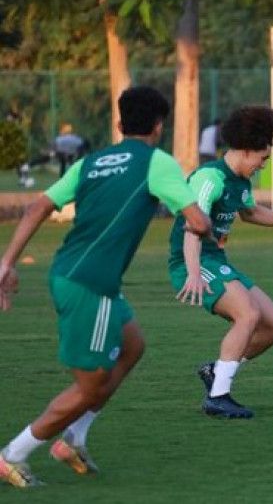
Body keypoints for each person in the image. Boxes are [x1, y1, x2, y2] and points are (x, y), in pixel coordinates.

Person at [0, 86, 211, 488]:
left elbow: (37, 206)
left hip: (78, 274)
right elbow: (198, 222)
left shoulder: (90, 162)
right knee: (89, 385)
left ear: (119, 124)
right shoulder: (157, 162)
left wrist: (6, 263)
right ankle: (13, 453)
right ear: (159, 126)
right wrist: (207, 227)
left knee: (133, 346)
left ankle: (74, 438)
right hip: (89, 284)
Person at [169, 105, 273, 420]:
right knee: (248, 315)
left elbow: (251, 213)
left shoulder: (240, 182)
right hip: (192, 260)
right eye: (263, 159)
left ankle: (217, 370)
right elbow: (192, 229)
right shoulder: (210, 178)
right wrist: (194, 273)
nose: (263, 166)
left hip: (216, 260)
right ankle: (218, 396)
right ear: (247, 151)